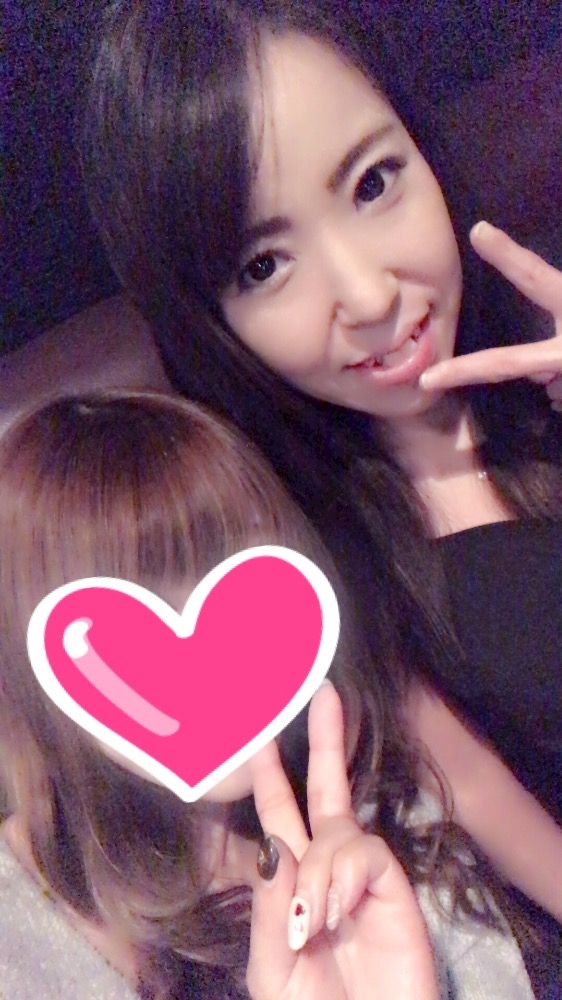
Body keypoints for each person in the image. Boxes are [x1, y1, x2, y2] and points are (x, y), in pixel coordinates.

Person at [81, 2, 562, 989]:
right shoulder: (322, 577)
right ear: (208, 321)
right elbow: (485, 799)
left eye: (374, 182)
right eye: (265, 265)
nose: (370, 295)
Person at [0, 390, 544, 999]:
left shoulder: (373, 810)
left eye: (234, 565)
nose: (202, 655)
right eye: (135, 605)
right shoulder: (21, 942)